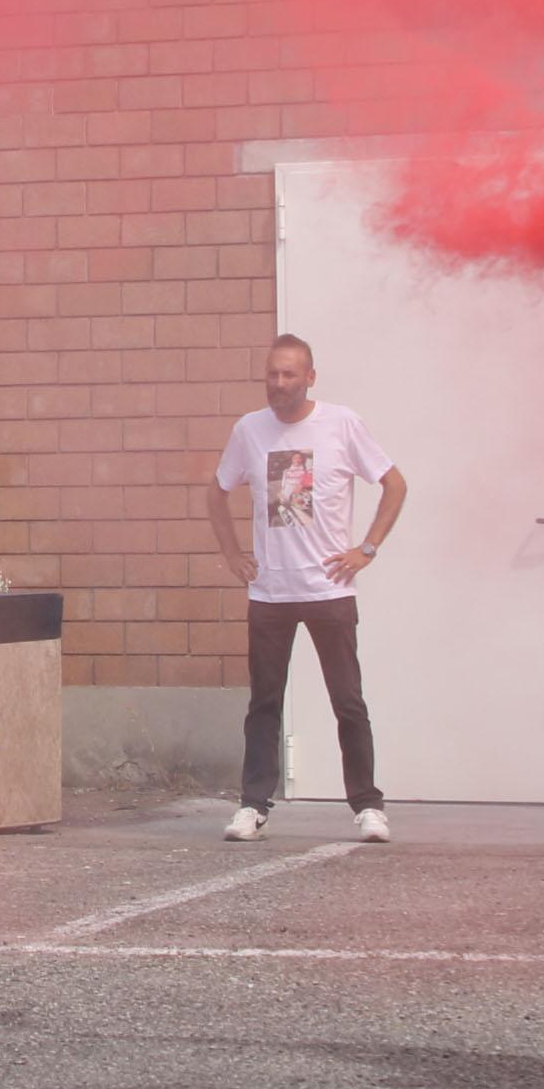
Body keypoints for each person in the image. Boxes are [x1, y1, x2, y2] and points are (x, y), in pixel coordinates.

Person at [206, 335, 404, 844]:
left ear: (310, 377)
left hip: (329, 591)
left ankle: (367, 807)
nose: (279, 384)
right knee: (264, 704)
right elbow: (217, 491)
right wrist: (232, 556)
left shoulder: (341, 423)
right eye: (272, 374)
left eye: (289, 374)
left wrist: (368, 548)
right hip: (270, 592)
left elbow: (394, 483)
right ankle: (252, 807)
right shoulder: (249, 430)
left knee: (348, 701)